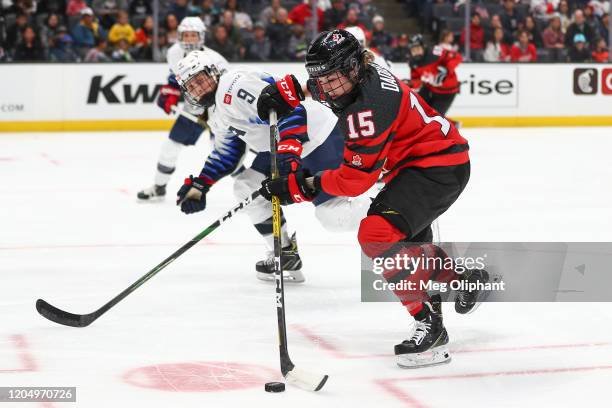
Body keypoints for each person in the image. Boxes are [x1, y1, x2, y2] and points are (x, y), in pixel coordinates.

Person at [256, 29, 488, 368]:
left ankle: (431, 327)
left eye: (332, 78)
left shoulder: (368, 109)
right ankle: (463, 282)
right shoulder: (365, 69)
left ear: (352, 69)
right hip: (423, 164)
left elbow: (353, 182)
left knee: (375, 235)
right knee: (407, 248)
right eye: (319, 79)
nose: (325, 88)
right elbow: (325, 79)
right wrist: (290, 89)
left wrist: (299, 187)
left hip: (436, 169)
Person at [173, 51, 371, 282]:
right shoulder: (217, 112)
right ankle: (284, 253)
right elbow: (228, 154)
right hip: (283, 146)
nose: (198, 88)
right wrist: (200, 185)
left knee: (332, 217)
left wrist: (288, 157)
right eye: (191, 86)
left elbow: (289, 109)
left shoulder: (233, 87)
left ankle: (391, 208)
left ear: (213, 72)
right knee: (246, 187)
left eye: (200, 79)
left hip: (316, 138)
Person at [137, 17, 228, 201]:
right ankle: (159, 187)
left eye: (193, 35)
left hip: (218, 113)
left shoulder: (217, 60)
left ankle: (250, 190)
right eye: (185, 35)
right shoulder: (174, 52)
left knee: (226, 155)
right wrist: (170, 93)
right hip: (193, 110)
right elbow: (175, 77)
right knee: (169, 148)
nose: (188, 39)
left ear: (201, 36)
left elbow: (226, 90)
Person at [406, 34, 462, 118]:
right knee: (416, 109)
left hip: (447, 92)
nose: (416, 52)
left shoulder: (436, 52)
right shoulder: (413, 62)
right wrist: (409, 84)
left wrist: (447, 70)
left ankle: (453, 124)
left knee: (434, 118)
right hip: (430, 88)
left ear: (424, 47)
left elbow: (457, 57)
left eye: (418, 48)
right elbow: (417, 80)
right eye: (413, 50)